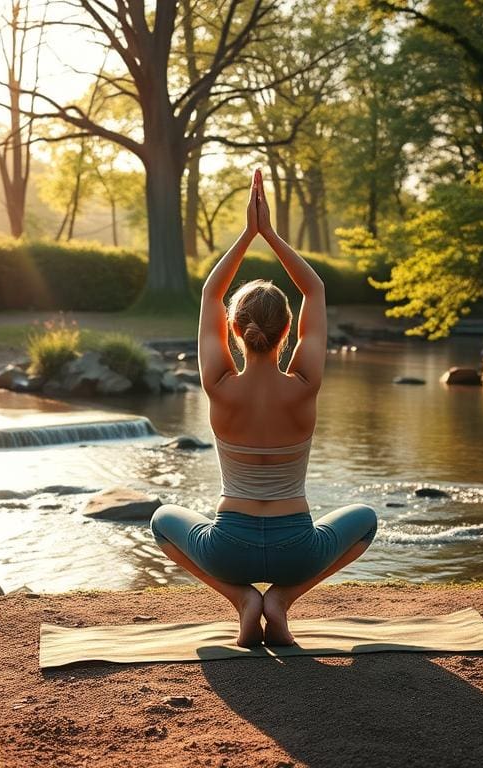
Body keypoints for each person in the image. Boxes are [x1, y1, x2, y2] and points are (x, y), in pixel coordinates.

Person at [150, 169, 377, 648]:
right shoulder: (304, 384)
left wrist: (246, 234)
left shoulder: (218, 385)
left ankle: (243, 601)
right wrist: (271, 235)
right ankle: (282, 600)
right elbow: (315, 289)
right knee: (365, 518)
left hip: (227, 549)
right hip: (298, 549)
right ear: (289, 330)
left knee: (161, 518)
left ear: (234, 329)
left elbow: (212, 293)